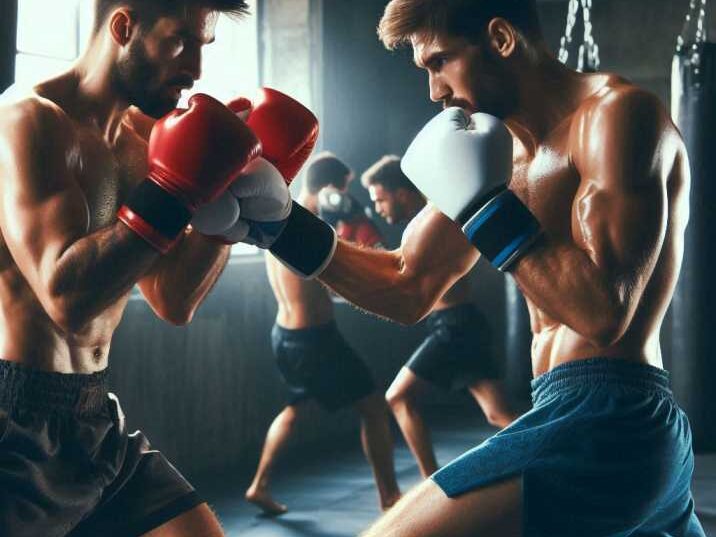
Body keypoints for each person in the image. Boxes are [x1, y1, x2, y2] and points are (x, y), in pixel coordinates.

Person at [210, 0, 706, 534]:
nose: (434, 91)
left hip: (610, 420)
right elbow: (408, 285)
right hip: (570, 416)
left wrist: (485, 207)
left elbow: (606, 311)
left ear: (501, 38)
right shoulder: (498, 156)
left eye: (439, 61)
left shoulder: (616, 116)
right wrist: (281, 225)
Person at [0, 1, 315, 535]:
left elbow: (173, 299)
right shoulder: (28, 121)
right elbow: (67, 300)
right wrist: (175, 193)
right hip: (15, 426)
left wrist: (231, 211)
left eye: (202, 47)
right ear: (124, 27)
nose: (195, 67)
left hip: (96, 417)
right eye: (181, 41)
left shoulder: (141, 141)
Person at [244, 153, 400, 516]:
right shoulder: (308, 223)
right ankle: (390, 496)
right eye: (343, 189)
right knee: (374, 406)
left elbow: (316, 280)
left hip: (287, 335)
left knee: (296, 409)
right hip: (314, 339)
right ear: (331, 188)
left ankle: (259, 485)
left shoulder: (281, 217)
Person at [362, 154, 518, 478]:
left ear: (401, 194)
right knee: (498, 414)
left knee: (399, 397)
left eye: (380, 199)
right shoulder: (426, 221)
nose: (377, 208)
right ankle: (557, 460)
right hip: (461, 324)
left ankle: (431, 484)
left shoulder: (429, 223)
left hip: (454, 328)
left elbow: (406, 282)